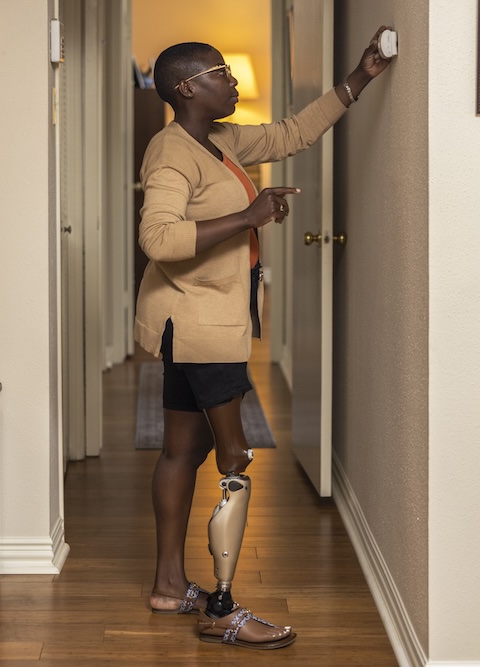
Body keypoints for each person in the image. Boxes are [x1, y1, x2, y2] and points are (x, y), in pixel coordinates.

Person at [136, 27, 393, 650]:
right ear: (187, 87)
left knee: (180, 452)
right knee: (234, 462)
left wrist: (361, 75)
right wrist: (248, 218)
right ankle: (221, 607)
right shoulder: (172, 153)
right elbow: (159, 239)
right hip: (200, 325)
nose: (234, 82)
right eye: (222, 73)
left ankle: (170, 586)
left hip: (190, 322)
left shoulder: (217, 139)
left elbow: (291, 134)